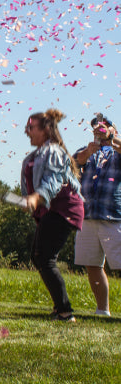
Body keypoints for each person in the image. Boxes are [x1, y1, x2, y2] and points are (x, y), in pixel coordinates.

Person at [21, 109, 84, 322]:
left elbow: (54, 181)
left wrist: (37, 196)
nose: (26, 131)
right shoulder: (36, 155)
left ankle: (65, 312)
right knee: (38, 257)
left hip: (63, 208)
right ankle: (60, 308)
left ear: (45, 130)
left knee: (45, 258)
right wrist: (29, 200)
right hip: (51, 210)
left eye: (31, 127)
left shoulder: (54, 152)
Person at [73, 113, 121, 317]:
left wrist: (111, 139)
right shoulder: (88, 151)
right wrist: (87, 151)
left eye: (104, 125)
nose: (99, 129)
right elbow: (73, 163)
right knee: (92, 265)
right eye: (96, 127)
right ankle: (103, 310)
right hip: (88, 216)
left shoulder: (117, 152)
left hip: (113, 216)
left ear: (114, 129)